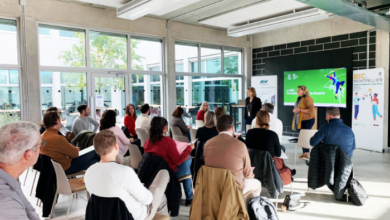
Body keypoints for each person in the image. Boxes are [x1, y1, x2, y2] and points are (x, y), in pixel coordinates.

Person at [85, 130, 169, 220]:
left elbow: (109, 193)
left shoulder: (89, 172)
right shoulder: (124, 172)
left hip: (104, 216)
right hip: (133, 216)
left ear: (96, 151)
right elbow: (148, 200)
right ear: (115, 146)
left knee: (161, 199)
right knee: (164, 175)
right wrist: (139, 188)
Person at [204, 115, 261, 197]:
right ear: (232, 127)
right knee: (257, 184)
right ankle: (247, 208)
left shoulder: (208, 144)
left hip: (213, 186)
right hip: (234, 188)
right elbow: (248, 174)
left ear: (217, 129)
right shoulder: (240, 145)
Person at [144, 117, 195, 206]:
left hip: (153, 172)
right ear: (164, 128)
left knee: (186, 164)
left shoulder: (148, 141)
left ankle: (189, 197)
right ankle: (189, 197)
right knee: (187, 162)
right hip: (168, 173)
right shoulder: (168, 141)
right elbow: (177, 161)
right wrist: (189, 148)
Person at [0, 122, 41, 220]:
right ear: (29, 155)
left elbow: (28, 208)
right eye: (41, 144)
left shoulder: (10, 176)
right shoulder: (6, 203)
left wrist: (26, 211)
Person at [292, 85, 315, 160]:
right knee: (301, 136)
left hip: (308, 120)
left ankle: (307, 153)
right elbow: (298, 108)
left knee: (306, 136)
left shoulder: (308, 98)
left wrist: (300, 111)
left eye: (299, 90)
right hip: (300, 120)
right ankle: (304, 153)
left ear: (304, 91)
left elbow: (311, 110)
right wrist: (295, 110)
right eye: (297, 90)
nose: (297, 91)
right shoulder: (299, 98)